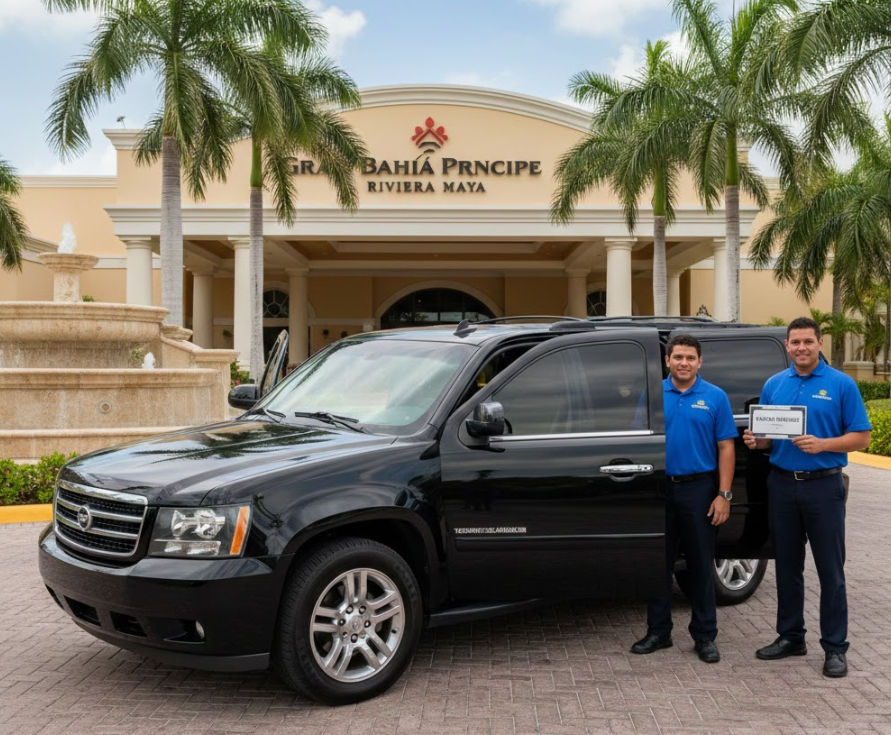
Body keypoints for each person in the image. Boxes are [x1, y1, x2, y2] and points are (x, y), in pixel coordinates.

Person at [743, 316, 871, 678]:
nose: (801, 348)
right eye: (795, 342)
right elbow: (769, 438)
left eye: (807, 342)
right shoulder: (774, 385)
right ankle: (790, 636)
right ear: (787, 346)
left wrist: (823, 445)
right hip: (782, 485)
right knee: (787, 566)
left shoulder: (841, 385)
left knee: (831, 570)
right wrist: (759, 441)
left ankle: (834, 647)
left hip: (823, 487)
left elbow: (862, 437)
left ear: (819, 345)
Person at [631, 334, 736, 663]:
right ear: (667, 361)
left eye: (690, 358)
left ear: (700, 362)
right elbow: (637, 439)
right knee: (655, 564)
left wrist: (724, 495)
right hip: (659, 488)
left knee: (700, 566)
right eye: (678, 357)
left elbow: (726, 448)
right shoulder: (653, 394)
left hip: (699, 489)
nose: (684, 363)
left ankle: (705, 636)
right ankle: (658, 631)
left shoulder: (715, 397)